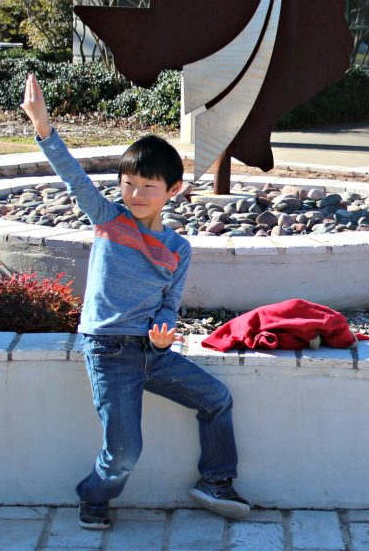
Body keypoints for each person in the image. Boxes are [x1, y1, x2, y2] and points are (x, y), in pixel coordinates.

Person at [19, 73, 250, 530]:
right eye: (128, 184)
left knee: (217, 399)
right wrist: (43, 126)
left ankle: (216, 482)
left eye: (148, 186)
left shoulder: (178, 248)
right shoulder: (108, 219)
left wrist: (165, 334)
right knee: (124, 452)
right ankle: (94, 495)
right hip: (108, 352)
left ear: (173, 190)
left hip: (153, 353)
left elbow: (170, 302)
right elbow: (72, 175)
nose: (136, 194)